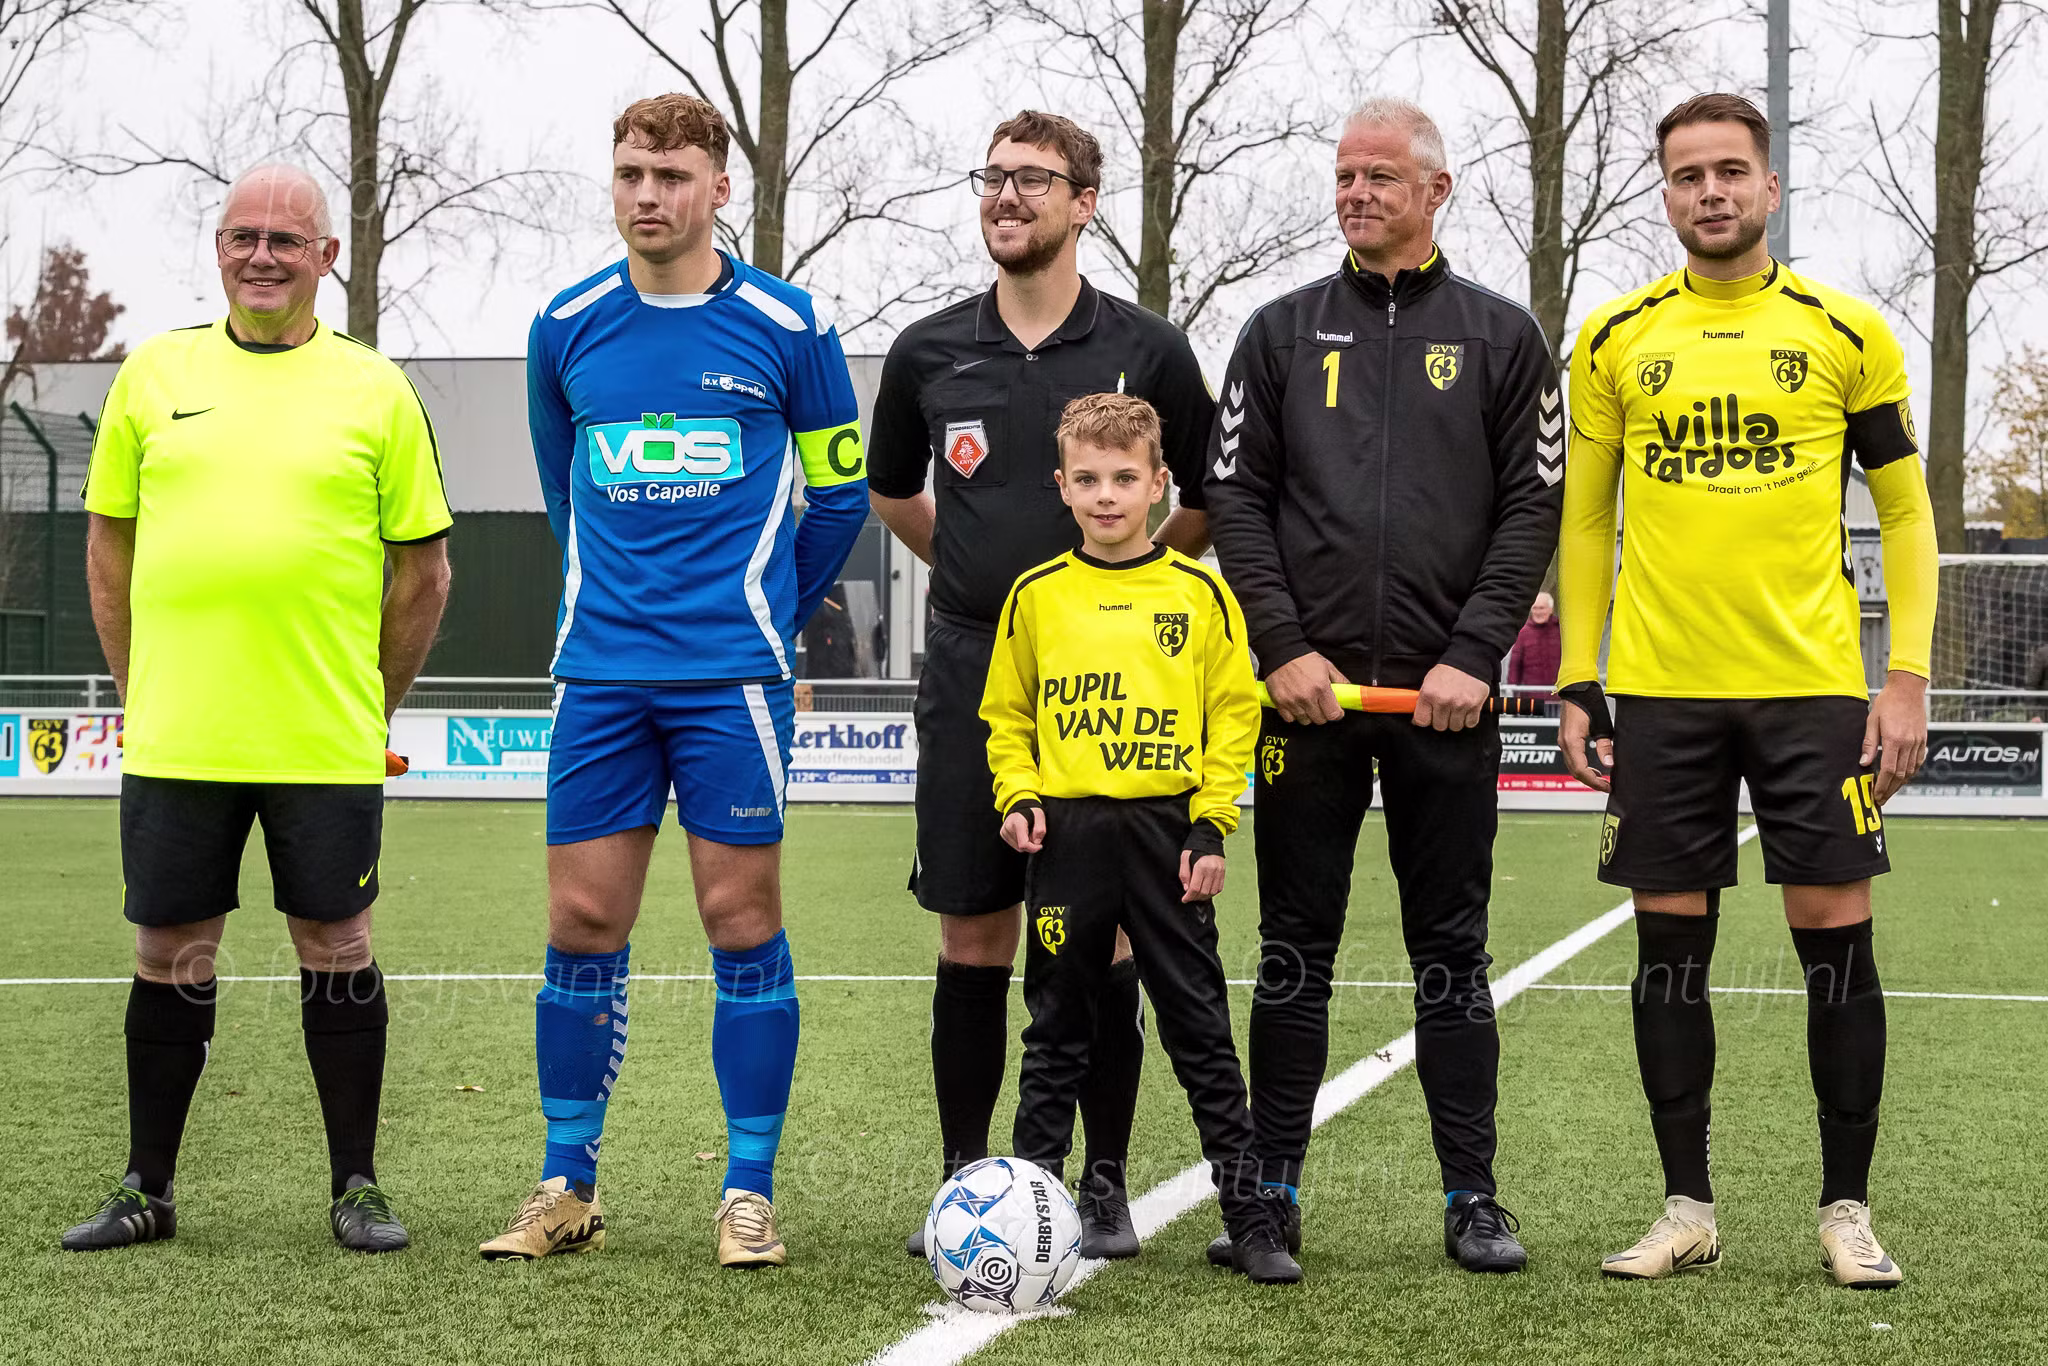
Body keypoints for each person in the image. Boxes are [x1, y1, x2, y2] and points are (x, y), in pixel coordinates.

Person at [1556, 93, 1937, 1288]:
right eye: (1686, 175)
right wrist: (1578, 675)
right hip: (1661, 693)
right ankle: (1685, 1208)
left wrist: (1905, 677)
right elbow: (1584, 519)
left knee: (1835, 950)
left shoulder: (1843, 330)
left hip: (1811, 691)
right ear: (1664, 195)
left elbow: (1906, 512)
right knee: (1668, 955)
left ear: (1769, 187)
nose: (1709, 191)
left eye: (1729, 171)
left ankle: (1845, 1211)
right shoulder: (1613, 337)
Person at [481, 94, 868, 1266]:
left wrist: (768, 615)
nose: (647, 194)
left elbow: (839, 495)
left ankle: (747, 1191)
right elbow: (564, 496)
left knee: (739, 919)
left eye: (671, 174)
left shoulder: (790, 323)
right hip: (601, 672)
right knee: (580, 920)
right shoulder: (563, 325)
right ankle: (565, 1184)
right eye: (630, 173)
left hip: (731, 680)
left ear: (718, 187)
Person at [64, 164, 452, 1253]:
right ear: (219, 248)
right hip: (181, 735)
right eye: (244, 235)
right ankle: (147, 1188)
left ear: (326, 256)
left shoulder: (376, 390)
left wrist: (368, 704)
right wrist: (142, 690)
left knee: (337, 943)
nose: (263, 255)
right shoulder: (153, 374)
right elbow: (108, 548)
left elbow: (425, 574)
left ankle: (357, 1187)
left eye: (287, 239)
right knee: (170, 953)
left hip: (321, 739)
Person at [1202, 97, 1560, 1273]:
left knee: (1450, 950)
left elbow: (1531, 508)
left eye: (1378, 176)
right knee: (1291, 947)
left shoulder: (1503, 338)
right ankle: (1270, 1196)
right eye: (1343, 175)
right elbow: (1236, 502)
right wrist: (1279, 647)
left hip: (1442, 705)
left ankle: (1472, 1197)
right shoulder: (1275, 333)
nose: (1354, 193)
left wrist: (1473, 653)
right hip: (1303, 703)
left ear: (1435, 190)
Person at [868, 110, 1217, 1259]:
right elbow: (893, 492)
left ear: (1083, 202)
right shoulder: (927, 350)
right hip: (973, 668)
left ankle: (1101, 1184)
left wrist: (1108, 596)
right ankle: (966, 1180)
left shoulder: (1148, 349)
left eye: (1032, 178)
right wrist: (1000, 594)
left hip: (1110, 689)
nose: (1006, 195)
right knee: (972, 930)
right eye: (992, 176)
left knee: (1099, 941)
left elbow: (1208, 500)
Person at [982, 393, 1299, 1284]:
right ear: (1062, 486)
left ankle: (1251, 1221)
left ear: (1160, 484)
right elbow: (1007, 715)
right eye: (1087, 479)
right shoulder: (1036, 594)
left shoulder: (1199, 591)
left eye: (1125, 478)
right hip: (1069, 837)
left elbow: (1232, 716)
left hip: (1168, 837)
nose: (1107, 495)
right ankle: (1030, 1219)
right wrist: (1018, 793)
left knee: (1199, 1031)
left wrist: (1211, 823)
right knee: (1055, 1033)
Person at [1505, 592, 1561, 697]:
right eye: (1535, 608)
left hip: (1558, 697)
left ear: (1551, 609)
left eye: (1542, 608)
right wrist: (1511, 690)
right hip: (1531, 698)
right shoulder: (1523, 632)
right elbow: (1515, 664)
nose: (1538, 612)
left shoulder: (1561, 631)